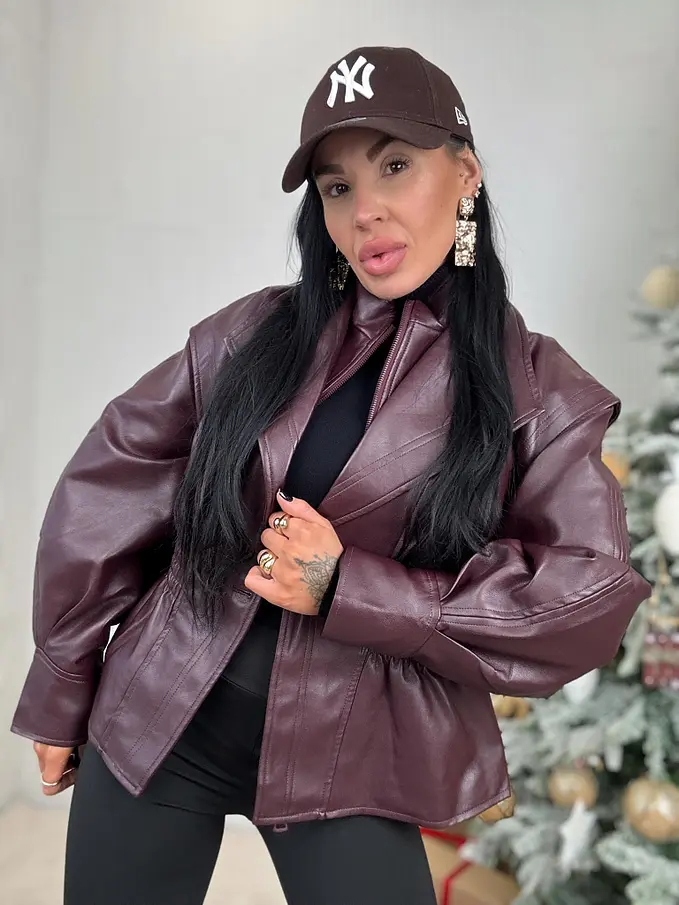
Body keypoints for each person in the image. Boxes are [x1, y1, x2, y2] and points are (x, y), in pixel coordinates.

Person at [10, 45, 651, 905]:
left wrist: (350, 587)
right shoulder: (251, 335)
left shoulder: (539, 390)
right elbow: (106, 490)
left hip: (353, 752)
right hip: (159, 713)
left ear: (464, 175)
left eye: (395, 166)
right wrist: (63, 681)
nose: (365, 210)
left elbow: (582, 594)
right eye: (337, 185)